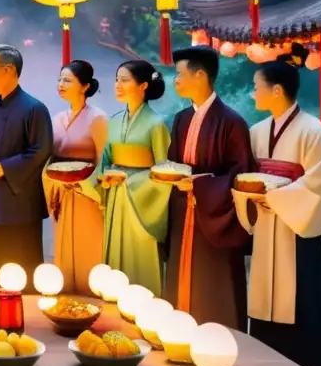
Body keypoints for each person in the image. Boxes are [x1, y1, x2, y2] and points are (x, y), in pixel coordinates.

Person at [236, 61, 321, 366]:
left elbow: (320, 183)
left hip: (298, 231)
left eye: (257, 86)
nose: (254, 92)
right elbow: (247, 177)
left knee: (306, 308)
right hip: (268, 226)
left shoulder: (314, 131)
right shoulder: (257, 130)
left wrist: (277, 196)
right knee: (265, 306)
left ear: (277, 90)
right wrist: (253, 195)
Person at [164, 47, 253, 330]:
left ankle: (219, 332)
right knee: (181, 271)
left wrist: (202, 185)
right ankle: (178, 328)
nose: (175, 80)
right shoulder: (181, 119)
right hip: (183, 209)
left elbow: (240, 173)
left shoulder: (232, 122)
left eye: (180, 74)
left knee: (214, 277)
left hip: (213, 213)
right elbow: (175, 162)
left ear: (200, 75)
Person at [0, 45, 53, 287]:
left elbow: (41, 149)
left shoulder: (34, 108)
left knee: (20, 270)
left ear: (8, 70)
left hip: (19, 202)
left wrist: (4, 168)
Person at [98, 60, 171, 296]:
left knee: (140, 258)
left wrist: (131, 181)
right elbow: (105, 160)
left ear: (143, 86)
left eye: (125, 80)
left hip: (141, 201)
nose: (117, 85)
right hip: (116, 196)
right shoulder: (113, 120)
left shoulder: (157, 123)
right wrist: (105, 177)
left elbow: (164, 170)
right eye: (117, 79)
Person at [43, 60, 108, 296]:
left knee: (87, 247)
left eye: (67, 80)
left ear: (85, 86)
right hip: (61, 192)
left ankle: (91, 298)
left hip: (86, 195)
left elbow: (104, 159)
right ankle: (65, 296)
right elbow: (48, 157)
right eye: (60, 79)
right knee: (62, 247)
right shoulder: (57, 118)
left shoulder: (97, 118)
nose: (61, 84)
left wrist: (89, 186)